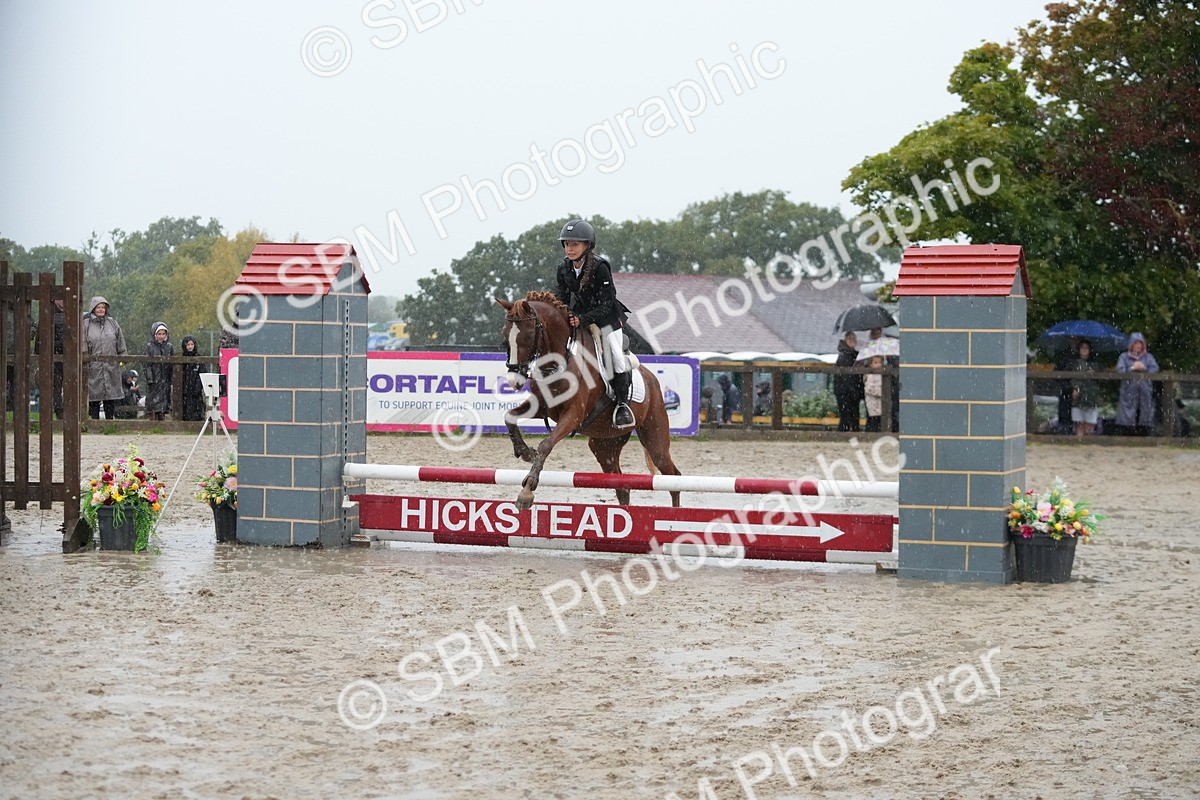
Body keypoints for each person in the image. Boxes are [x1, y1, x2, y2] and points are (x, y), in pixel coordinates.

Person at [551, 219, 636, 428]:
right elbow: (561, 297)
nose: (569, 249)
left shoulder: (600, 267)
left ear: (587, 246)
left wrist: (584, 318)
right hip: (579, 318)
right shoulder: (564, 268)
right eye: (567, 244)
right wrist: (564, 315)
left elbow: (607, 303)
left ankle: (622, 405)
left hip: (607, 319)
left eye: (575, 244)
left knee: (615, 357)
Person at [82, 297, 127, 420]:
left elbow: (120, 340)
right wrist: (85, 356)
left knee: (110, 395)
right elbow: (83, 341)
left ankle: (109, 421)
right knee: (94, 395)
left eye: (103, 307)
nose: (101, 309)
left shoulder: (112, 323)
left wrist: (123, 355)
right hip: (93, 366)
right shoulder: (86, 324)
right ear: (93, 309)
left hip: (110, 365)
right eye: (98, 307)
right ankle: (94, 422)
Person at [1116, 332, 1159, 435]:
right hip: (1129, 391)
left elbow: (1155, 369)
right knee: (1127, 415)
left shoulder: (1148, 357)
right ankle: (1128, 436)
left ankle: (1143, 435)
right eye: (1136, 343)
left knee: (1144, 414)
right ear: (1131, 344)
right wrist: (1132, 368)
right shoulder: (1124, 357)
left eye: (1140, 343)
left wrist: (1144, 368)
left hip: (1145, 391)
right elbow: (1120, 370)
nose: (1138, 346)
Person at [1069, 340, 1101, 438]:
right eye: (1082, 347)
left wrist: (1095, 373)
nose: (1084, 350)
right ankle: (1079, 441)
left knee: (1090, 423)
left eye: (1086, 348)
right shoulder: (1074, 363)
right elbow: (1071, 378)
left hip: (1091, 396)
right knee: (1079, 423)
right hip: (1078, 397)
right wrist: (1075, 388)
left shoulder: (1096, 364)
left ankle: (1089, 442)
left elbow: (1100, 379)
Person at [144, 322, 174, 421]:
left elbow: (172, 363)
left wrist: (171, 377)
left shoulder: (169, 347)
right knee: (153, 402)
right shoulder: (150, 346)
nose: (161, 336)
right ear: (154, 334)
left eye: (163, 334)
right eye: (159, 334)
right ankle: (152, 420)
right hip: (154, 379)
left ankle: (162, 420)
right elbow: (147, 364)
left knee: (164, 401)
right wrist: (150, 378)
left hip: (165, 379)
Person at [833, 331, 863, 431]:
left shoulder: (854, 355)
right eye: (850, 338)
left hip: (852, 389)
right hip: (845, 391)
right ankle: (844, 435)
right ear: (846, 340)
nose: (852, 340)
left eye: (854, 338)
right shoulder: (844, 356)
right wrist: (853, 390)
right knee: (846, 416)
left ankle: (852, 434)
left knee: (853, 415)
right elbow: (846, 376)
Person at [180, 335, 207, 421]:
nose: (190, 347)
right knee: (185, 406)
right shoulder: (181, 359)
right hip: (184, 390)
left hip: (195, 390)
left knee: (196, 406)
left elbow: (202, 373)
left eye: (192, 344)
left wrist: (197, 388)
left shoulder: (199, 358)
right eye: (188, 345)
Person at [864, 355, 885, 432]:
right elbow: (869, 389)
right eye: (875, 363)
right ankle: (872, 434)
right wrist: (881, 393)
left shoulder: (881, 374)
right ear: (871, 364)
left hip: (879, 402)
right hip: (873, 402)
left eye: (879, 362)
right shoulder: (870, 375)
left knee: (879, 419)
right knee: (873, 420)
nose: (878, 364)